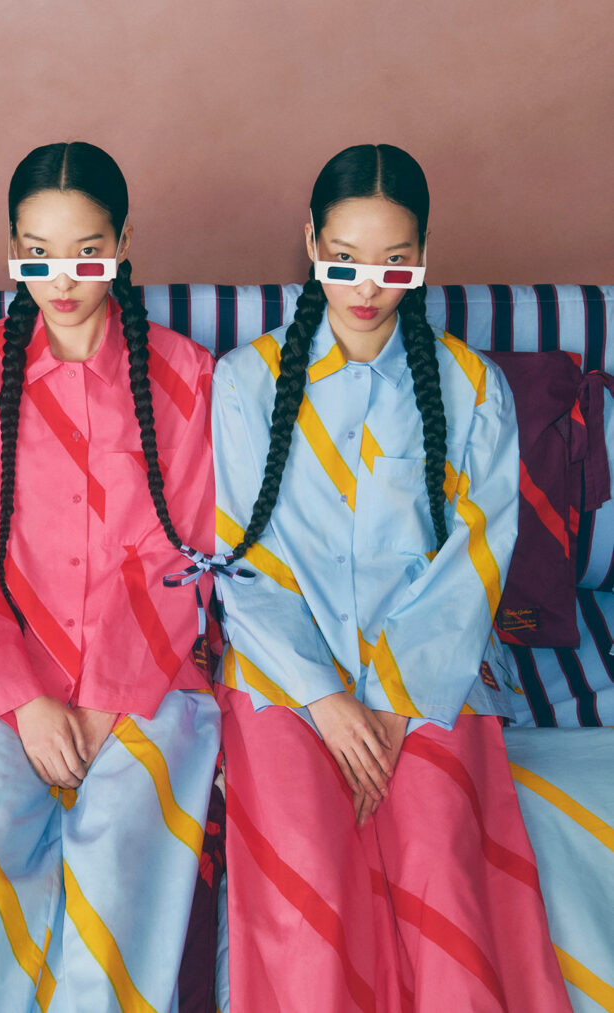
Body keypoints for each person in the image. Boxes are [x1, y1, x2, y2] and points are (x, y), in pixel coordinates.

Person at [212, 143, 571, 1011]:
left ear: (424, 256)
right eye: (345, 259)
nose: (366, 286)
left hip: (432, 679)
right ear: (309, 243)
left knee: (439, 867)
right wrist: (328, 700)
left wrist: (395, 700)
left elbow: (475, 560)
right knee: (308, 889)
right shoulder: (245, 383)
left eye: (394, 262)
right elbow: (243, 564)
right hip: (283, 680)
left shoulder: (474, 385)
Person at [0, 141, 221, 1013]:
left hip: (148, 687)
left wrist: (107, 696)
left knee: (118, 898)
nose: (61, 279)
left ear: (124, 241)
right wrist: (24, 698)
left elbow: (186, 551)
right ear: (12, 247)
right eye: (36, 254)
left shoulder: (187, 379)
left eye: (85, 251)